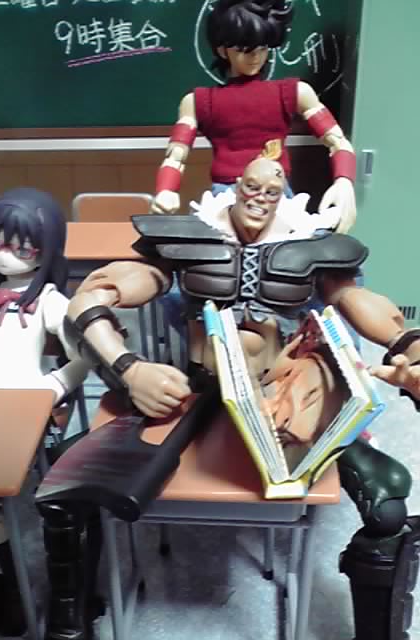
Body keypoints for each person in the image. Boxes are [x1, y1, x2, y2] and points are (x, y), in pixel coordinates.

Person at [39, 157, 420, 640]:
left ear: (282, 196)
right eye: (251, 187)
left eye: (271, 191)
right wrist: (129, 369)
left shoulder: (309, 246)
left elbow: (360, 303)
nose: (259, 199)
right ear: (235, 187)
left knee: (387, 506)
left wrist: (410, 347)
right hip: (196, 390)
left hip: (280, 395)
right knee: (68, 482)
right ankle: (69, 625)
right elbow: (92, 298)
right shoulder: (191, 240)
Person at [0, 188, 90, 637]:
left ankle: (14, 590)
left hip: (25, 406)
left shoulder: (52, 302)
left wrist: (54, 385)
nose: (3, 255)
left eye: (21, 248)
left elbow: (82, 357)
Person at [151, 0, 357, 235]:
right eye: (243, 49)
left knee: (296, 248)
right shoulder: (199, 101)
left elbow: (337, 141)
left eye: (262, 47)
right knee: (217, 249)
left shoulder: (294, 92)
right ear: (222, 50)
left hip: (277, 195)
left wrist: (344, 182)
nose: (255, 56)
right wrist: (166, 189)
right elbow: (176, 155)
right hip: (227, 196)